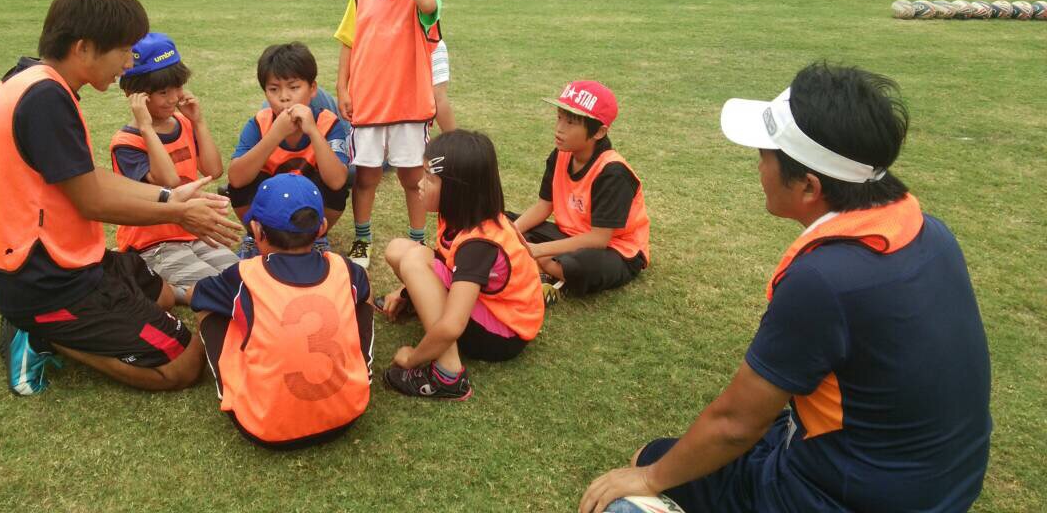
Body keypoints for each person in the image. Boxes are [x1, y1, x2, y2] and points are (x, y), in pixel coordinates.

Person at [578, 62, 992, 513]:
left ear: (809, 186)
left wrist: (649, 478)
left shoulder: (825, 280)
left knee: (641, 476)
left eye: (765, 155)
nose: (759, 166)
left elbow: (736, 424)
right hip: (940, 484)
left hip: (844, 495)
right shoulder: (928, 231)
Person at [0, 0, 242, 395]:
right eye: (124, 50)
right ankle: (39, 333)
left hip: (71, 260)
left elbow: (87, 177)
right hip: (46, 279)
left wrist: (168, 196)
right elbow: (91, 201)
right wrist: (178, 212)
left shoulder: (30, 78)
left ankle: (45, 320)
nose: (128, 64)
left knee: (162, 294)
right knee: (185, 365)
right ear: (83, 48)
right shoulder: (45, 99)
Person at [191, 174, 373, 449]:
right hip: (347, 414)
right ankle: (362, 369)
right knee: (361, 294)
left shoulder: (245, 274)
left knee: (209, 310)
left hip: (265, 427)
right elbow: (364, 289)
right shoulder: (344, 268)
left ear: (257, 230)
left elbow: (198, 295)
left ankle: (231, 391)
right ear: (322, 228)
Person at [379, 130, 544, 400]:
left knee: (414, 260)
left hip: (503, 334)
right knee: (399, 249)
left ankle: (448, 375)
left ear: (457, 190)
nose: (420, 183)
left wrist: (412, 358)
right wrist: (408, 290)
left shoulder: (479, 244)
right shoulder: (460, 214)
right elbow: (445, 260)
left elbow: (453, 325)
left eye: (429, 178)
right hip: (487, 306)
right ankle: (421, 305)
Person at [335, 0, 442, 267]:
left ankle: (418, 241)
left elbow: (427, 4)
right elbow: (348, 42)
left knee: (412, 177)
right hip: (368, 104)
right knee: (366, 176)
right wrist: (342, 87)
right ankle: (362, 239)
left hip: (410, 107)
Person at [109, 31, 236, 306]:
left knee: (240, 278)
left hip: (193, 231)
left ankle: (171, 288)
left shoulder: (183, 122)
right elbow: (167, 181)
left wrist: (198, 122)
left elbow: (213, 170)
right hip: (154, 245)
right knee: (215, 292)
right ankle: (152, 283)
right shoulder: (127, 143)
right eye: (162, 92)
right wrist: (145, 127)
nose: (173, 98)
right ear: (135, 95)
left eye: (177, 88)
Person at [512, 81, 650, 305]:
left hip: (615, 251)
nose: (559, 128)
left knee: (582, 265)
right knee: (505, 221)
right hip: (569, 236)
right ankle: (545, 268)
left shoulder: (613, 172)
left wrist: (538, 251)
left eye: (570, 122)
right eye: (559, 118)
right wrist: (509, 232)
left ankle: (545, 270)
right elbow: (543, 206)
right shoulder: (560, 154)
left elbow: (598, 239)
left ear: (599, 132)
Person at [227, 42, 352, 258]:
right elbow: (236, 179)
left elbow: (337, 181)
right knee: (241, 184)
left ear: (312, 89)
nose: (284, 97)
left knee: (337, 184)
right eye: (273, 89)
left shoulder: (328, 122)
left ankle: (316, 236)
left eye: (294, 87)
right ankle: (255, 235)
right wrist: (275, 134)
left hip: (308, 198)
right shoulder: (259, 123)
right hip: (271, 198)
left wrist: (313, 132)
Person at [335, 0, 457, 135]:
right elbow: (348, 42)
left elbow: (438, 98)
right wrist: (342, 87)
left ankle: (457, 144)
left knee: (437, 96)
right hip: (374, 113)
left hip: (409, 112)